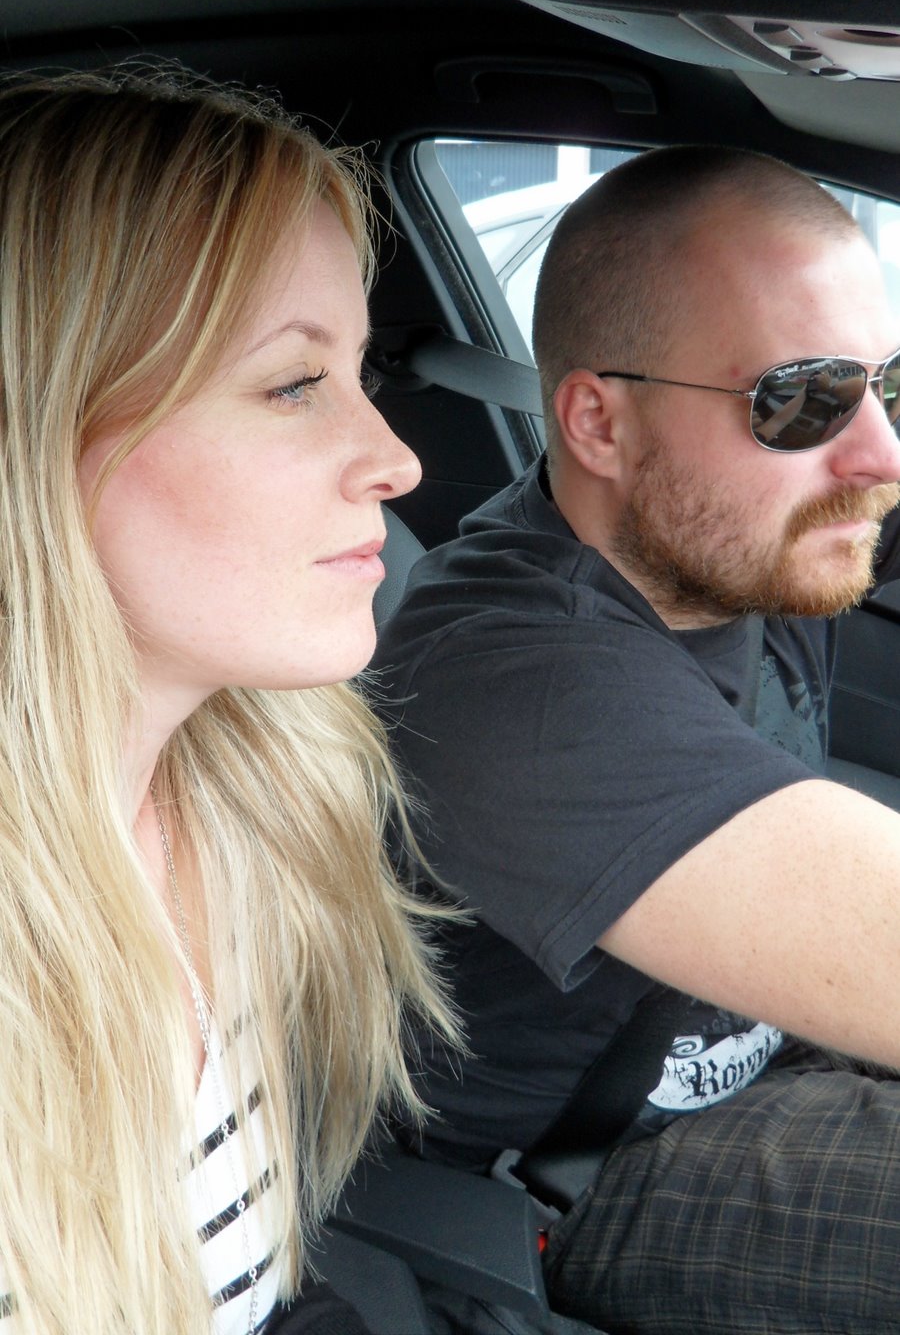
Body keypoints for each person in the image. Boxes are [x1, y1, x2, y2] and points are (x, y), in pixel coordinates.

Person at [372, 145, 900, 1335]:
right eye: (803, 401)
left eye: (889, 384)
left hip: (777, 1045)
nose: (879, 456)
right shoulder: (517, 686)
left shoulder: (734, 529)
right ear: (599, 423)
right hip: (598, 1166)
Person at [0, 65, 456, 1335]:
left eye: (359, 373)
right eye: (293, 384)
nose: (397, 460)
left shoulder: (254, 796)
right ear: (34, 432)